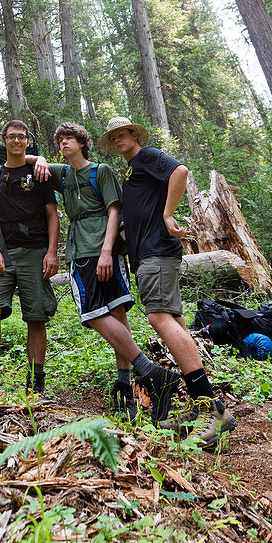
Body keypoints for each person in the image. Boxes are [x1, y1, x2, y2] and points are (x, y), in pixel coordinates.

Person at [98, 116, 237, 449]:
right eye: (113, 137)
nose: (118, 140)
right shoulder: (132, 170)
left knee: (159, 317)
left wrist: (168, 213)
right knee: (173, 320)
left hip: (157, 251)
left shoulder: (147, 156)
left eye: (123, 135)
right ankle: (205, 404)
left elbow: (181, 171)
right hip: (149, 254)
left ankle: (209, 409)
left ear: (135, 136)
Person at [29, 122, 181, 421]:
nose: (63, 144)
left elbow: (115, 210)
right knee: (100, 314)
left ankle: (131, 380)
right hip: (80, 247)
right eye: (59, 140)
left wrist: (107, 251)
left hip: (104, 250)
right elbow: (28, 160)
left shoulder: (102, 171)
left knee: (110, 312)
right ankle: (137, 380)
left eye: (69, 139)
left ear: (82, 142)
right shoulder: (63, 174)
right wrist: (42, 159)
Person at [0, 119, 59, 394]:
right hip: (3, 252)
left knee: (36, 315)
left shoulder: (39, 173)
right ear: (3, 141)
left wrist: (51, 252)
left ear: (27, 141)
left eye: (21, 137)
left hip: (35, 250)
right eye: (11, 137)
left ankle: (35, 382)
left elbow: (52, 214)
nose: (16, 141)